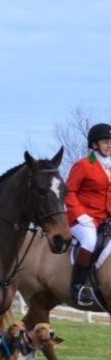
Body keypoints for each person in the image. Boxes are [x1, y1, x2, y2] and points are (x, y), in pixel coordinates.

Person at [64, 122, 111, 306]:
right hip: (82, 218)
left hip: (105, 217)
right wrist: (80, 214)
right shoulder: (83, 164)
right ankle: (77, 287)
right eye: (105, 141)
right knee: (89, 241)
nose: (109, 145)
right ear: (94, 145)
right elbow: (69, 192)